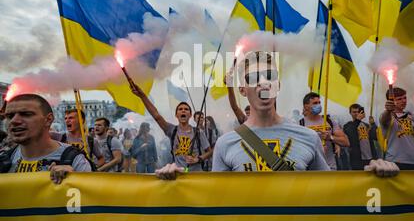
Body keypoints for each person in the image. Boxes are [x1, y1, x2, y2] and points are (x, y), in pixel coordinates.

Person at [156, 51, 399, 179]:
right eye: (253, 78)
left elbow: (328, 193)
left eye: (269, 77)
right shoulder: (225, 143)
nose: (263, 84)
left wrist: (377, 175)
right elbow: (215, 203)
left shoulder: (307, 137)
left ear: (277, 85)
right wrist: (178, 184)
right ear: (243, 89)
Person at [0, 94, 91, 183]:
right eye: (9, 116)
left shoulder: (75, 160)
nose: (14, 121)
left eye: (26, 114)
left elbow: (90, 195)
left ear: (48, 120)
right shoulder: (4, 159)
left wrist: (75, 180)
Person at [131, 85, 212, 172]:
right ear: (176, 115)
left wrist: (199, 159)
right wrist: (142, 96)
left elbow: (210, 152)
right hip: (178, 175)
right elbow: (156, 116)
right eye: (180, 109)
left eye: (186, 109)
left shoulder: (198, 132)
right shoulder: (172, 130)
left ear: (190, 115)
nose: (183, 110)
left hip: (196, 176)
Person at [300, 92, 350, 170]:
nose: (318, 105)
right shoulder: (300, 124)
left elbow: (346, 142)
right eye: (315, 103)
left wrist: (331, 138)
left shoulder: (329, 121)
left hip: (330, 167)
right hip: (311, 169)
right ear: (306, 106)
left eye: (319, 102)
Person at [380, 87, 414, 170]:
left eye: (405, 98)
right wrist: (388, 110)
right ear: (392, 101)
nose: (404, 101)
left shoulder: (413, 117)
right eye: (399, 99)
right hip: (394, 162)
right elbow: (384, 119)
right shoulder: (387, 116)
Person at [343, 104, 379, 170]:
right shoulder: (348, 126)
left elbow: (375, 137)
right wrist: (357, 120)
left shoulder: (366, 125)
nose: (356, 113)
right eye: (354, 112)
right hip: (357, 159)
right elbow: (351, 136)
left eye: (358, 112)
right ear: (350, 113)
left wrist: (373, 124)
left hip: (370, 157)